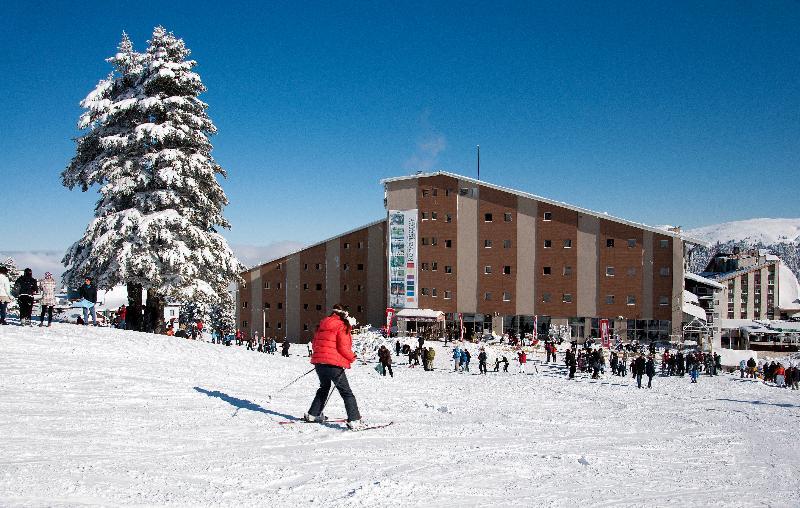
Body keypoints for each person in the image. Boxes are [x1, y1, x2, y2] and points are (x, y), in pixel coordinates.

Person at [304, 304, 364, 430]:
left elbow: (315, 344)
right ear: (344, 314)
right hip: (333, 365)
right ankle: (354, 420)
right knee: (346, 392)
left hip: (320, 363)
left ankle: (313, 414)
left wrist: (321, 358)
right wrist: (352, 357)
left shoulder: (322, 324)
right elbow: (343, 347)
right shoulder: (342, 326)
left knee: (324, 388)